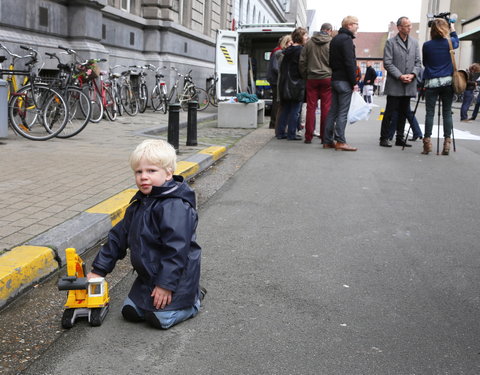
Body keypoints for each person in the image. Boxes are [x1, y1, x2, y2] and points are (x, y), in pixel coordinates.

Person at [87, 139, 205, 329]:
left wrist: (166, 285)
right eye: (139, 171)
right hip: (148, 277)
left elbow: (176, 250)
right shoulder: (141, 203)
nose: (143, 177)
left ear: (168, 173)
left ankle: (193, 301)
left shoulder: (175, 206)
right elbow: (118, 237)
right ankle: (154, 299)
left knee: (160, 320)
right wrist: (98, 270)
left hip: (177, 278)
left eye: (151, 171)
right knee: (130, 312)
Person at [379, 16, 422, 148]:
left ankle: (399, 138)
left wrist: (413, 74)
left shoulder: (414, 42)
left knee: (404, 111)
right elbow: (387, 63)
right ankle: (384, 138)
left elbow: (418, 62)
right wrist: (400, 76)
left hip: (409, 83)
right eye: (407, 26)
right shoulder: (391, 43)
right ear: (399, 28)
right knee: (390, 112)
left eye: (410, 25)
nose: (410, 28)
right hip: (395, 83)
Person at [422, 18, 459, 155]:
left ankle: (427, 143)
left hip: (431, 82)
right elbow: (457, 40)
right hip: (447, 83)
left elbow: (425, 63)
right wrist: (453, 27)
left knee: (430, 113)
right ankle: (447, 143)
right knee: (447, 112)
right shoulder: (450, 42)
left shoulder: (427, 45)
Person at [323, 16, 359, 151]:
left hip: (335, 79)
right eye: (356, 24)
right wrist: (354, 82)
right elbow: (350, 62)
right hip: (344, 81)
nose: (357, 26)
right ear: (349, 25)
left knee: (332, 111)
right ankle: (340, 141)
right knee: (342, 112)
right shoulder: (347, 40)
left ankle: (327, 141)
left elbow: (330, 60)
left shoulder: (335, 39)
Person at [299, 22, 333, 144]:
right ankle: (324, 137)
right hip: (327, 78)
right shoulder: (331, 43)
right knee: (326, 108)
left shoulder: (309, 43)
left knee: (311, 108)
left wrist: (305, 75)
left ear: (321, 30)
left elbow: (302, 61)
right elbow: (335, 61)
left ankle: (308, 136)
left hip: (312, 78)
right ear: (329, 30)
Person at [277, 27, 308, 140]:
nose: (306, 37)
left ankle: (280, 133)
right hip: (297, 83)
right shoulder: (301, 50)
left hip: (285, 83)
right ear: (300, 37)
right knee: (295, 110)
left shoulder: (287, 50)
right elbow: (302, 68)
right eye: (305, 35)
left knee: (285, 109)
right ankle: (291, 133)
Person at [273, 35, 293, 138]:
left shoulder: (281, 53)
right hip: (283, 82)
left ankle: (281, 130)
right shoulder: (281, 54)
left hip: (284, 82)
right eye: (290, 43)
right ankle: (280, 131)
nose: (292, 45)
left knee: (283, 107)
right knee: (282, 107)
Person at [267, 36, 284, 129]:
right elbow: (275, 67)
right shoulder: (277, 51)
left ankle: (274, 123)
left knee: (276, 101)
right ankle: (274, 123)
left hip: (274, 79)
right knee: (276, 101)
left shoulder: (276, 51)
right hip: (275, 80)